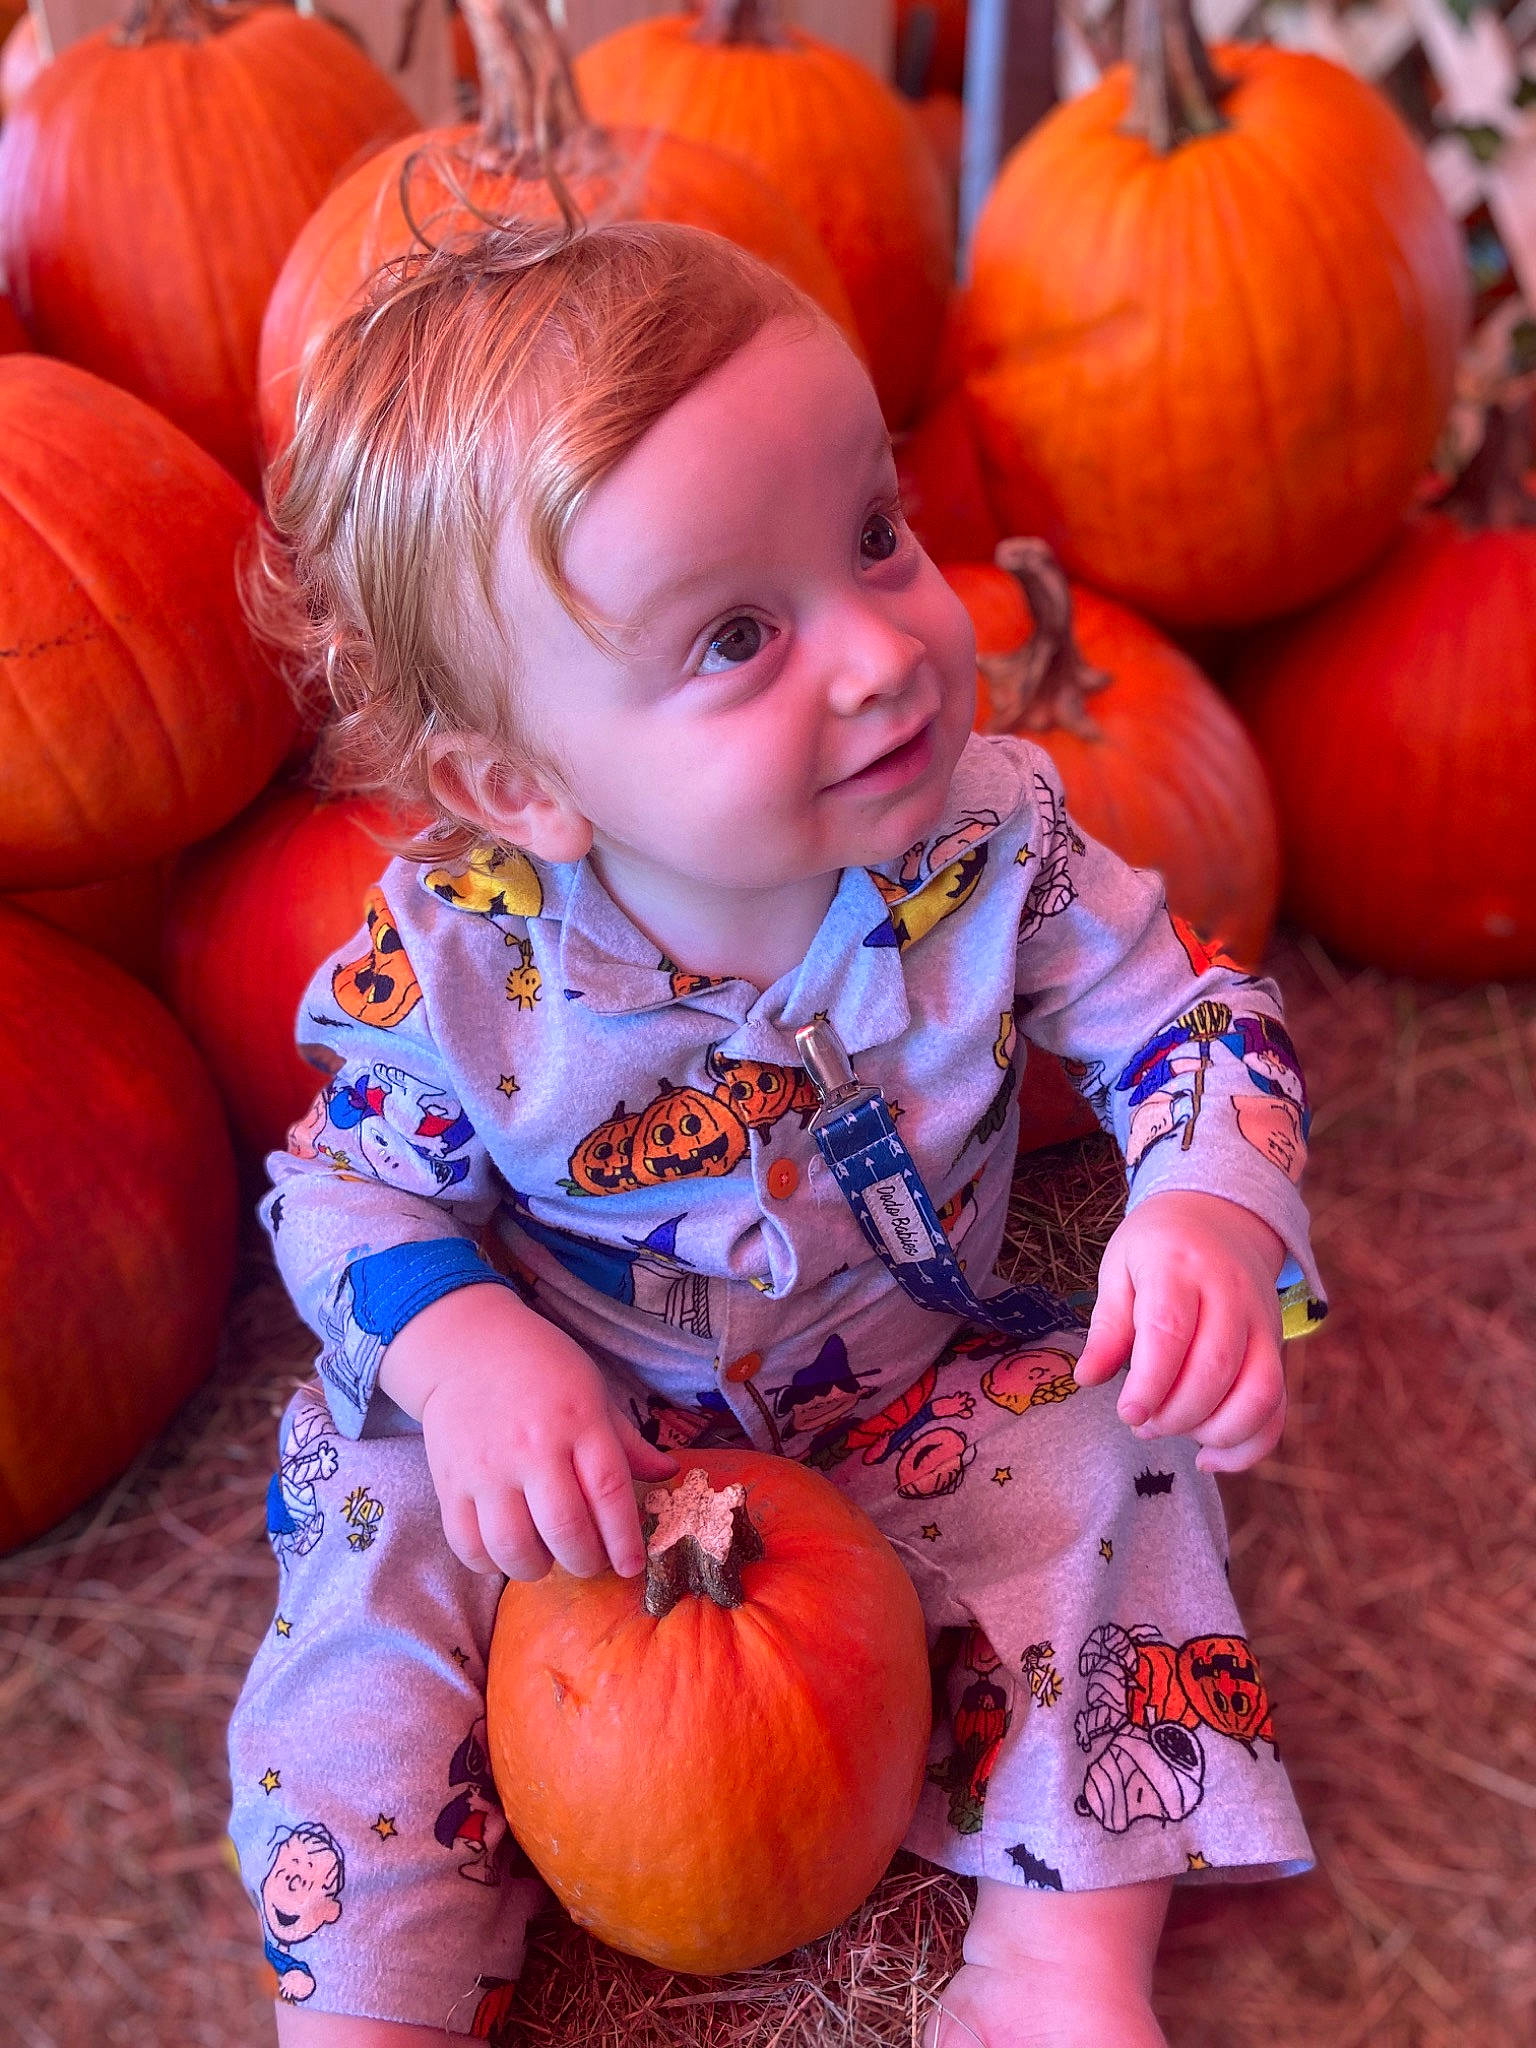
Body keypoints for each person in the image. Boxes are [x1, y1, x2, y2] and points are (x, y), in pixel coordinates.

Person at [228, 219, 1326, 2047]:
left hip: (896, 1397)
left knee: (1112, 1460)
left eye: (877, 538)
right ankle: (374, 2002)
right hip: (570, 1469)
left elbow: (1190, 1018)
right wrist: (466, 1344)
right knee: (368, 1539)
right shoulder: (469, 962)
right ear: (524, 787)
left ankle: (1060, 1956)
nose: (885, 654)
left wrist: (1209, 1208)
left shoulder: (993, 845)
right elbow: (334, 1184)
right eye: (739, 634)